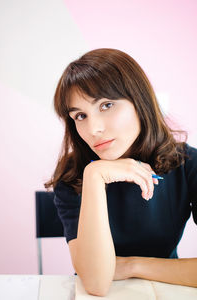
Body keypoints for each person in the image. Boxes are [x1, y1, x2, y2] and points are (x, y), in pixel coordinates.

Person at [44, 48, 197, 296]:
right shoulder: (73, 177)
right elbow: (95, 283)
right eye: (80, 115)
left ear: (140, 102)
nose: (93, 129)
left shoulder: (187, 163)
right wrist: (95, 176)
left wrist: (132, 265)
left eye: (106, 105)